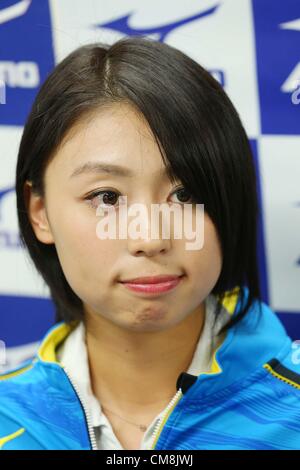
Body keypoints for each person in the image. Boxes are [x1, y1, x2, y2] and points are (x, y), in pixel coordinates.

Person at [0, 36, 299, 451]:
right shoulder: (8, 421)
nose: (150, 238)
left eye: (187, 194)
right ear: (40, 212)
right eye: (106, 197)